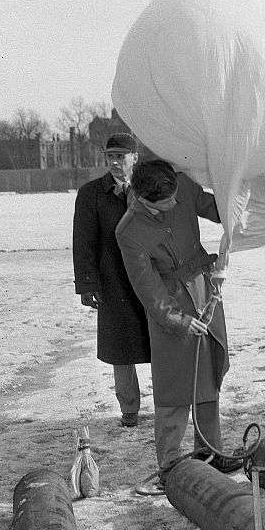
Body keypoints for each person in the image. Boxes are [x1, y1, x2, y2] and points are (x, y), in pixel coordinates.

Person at [115, 160, 238, 490]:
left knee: (208, 373)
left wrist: (236, 201)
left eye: (175, 195)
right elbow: (148, 289)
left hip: (203, 287)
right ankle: (169, 464)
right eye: (166, 201)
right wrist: (178, 321)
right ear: (144, 198)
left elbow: (214, 208)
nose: (174, 202)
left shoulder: (180, 184)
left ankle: (211, 452)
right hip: (170, 303)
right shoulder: (128, 231)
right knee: (173, 385)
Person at [72, 133, 150, 428]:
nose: (115, 162)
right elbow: (83, 243)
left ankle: (169, 405)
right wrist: (87, 284)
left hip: (150, 281)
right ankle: (129, 409)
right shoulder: (91, 194)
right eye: (110, 157)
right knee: (121, 348)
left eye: (121, 156)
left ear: (135, 158)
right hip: (113, 283)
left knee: (161, 343)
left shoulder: (148, 190)